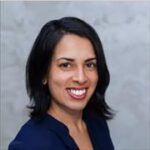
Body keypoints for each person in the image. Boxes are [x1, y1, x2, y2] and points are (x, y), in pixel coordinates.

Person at [8, 17, 114, 150]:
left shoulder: (95, 121)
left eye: (89, 64)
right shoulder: (29, 145)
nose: (81, 78)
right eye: (66, 65)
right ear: (43, 74)